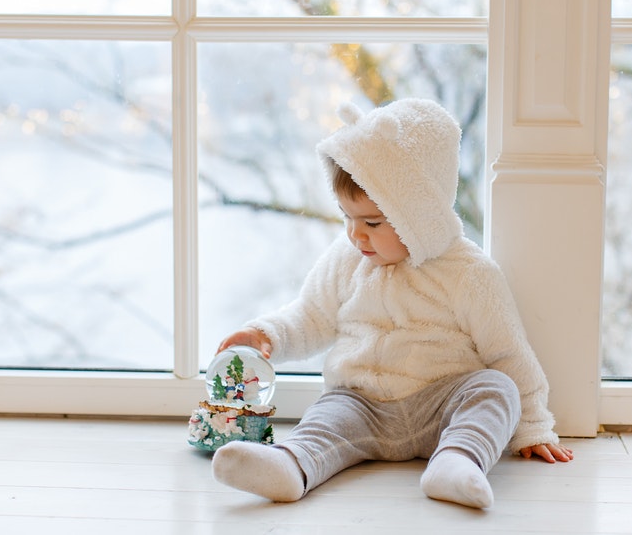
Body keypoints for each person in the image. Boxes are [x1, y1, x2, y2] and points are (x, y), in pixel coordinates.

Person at [211, 98, 573, 509]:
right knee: (325, 417)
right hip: (360, 403)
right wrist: (265, 334)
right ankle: (292, 466)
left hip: (443, 404)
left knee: (495, 388)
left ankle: (457, 463)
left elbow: (508, 352)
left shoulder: (468, 272)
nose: (355, 236)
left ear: (420, 215)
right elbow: (310, 315)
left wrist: (533, 427)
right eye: (347, 218)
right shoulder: (345, 261)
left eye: (372, 223)